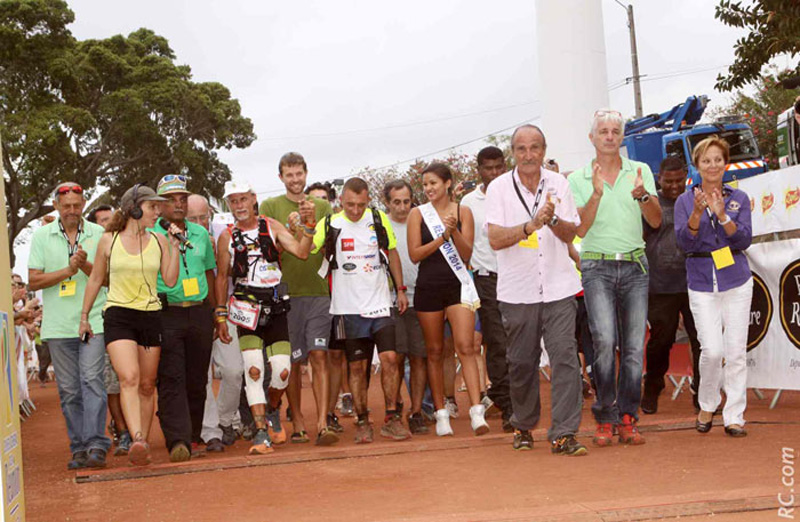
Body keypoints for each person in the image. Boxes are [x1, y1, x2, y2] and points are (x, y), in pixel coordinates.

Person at [486, 125, 587, 455]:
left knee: (565, 358)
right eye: (521, 149)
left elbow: (572, 233)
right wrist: (531, 224)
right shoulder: (499, 188)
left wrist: (553, 220)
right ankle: (524, 424)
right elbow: (496, 239)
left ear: (544, 150)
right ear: (513, 153)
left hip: (559, 286)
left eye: (534, 148)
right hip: (518, 291)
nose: (528, 155)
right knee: (521, 362)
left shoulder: (559, 184)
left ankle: (564, 432)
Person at [568, 109, 662, 447]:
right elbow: (579, 228)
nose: (609, 136)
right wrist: (595, 193)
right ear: (591, 138)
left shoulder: (641, 171)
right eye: (603, 131)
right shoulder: (577, 178)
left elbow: (654, 220)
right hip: (596, 266)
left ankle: (628, 416)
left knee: (634, 346)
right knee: (604, 342)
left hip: (635, 265)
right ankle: (605, 415)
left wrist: (642, 196)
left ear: (622, 137)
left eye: (615, 131)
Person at [79, 183, 181, 466]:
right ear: (134, 208)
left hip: (150, 314)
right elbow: (96, 279)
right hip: (118, 315)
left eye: (158, 206)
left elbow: (170, 281)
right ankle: (136, 436)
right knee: (129, 377)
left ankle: (142, 442)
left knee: (148, 385)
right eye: (152, 206)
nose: (157, 211)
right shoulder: (108, 240)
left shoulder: (159, 240)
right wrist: (85, 316)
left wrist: (174, 247)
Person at [309, 177, 412, 443]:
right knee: (357, 367)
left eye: (361, 205)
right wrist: (302, 228)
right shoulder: (330, 223)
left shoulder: (377, 219)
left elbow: (393, 252)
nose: (355, 210)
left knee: (390, 358)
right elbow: (308, 248)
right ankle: (363, 419)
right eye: (350, 205)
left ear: (368, 201)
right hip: (347, 308)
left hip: (380, 303)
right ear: (341, 201)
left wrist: (400, 289)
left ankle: (392, 417)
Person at [216, 181, 315, 454]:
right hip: (246, 308)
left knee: (282, 370)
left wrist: (309, 227)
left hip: (275, 306)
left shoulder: (271, 226)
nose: (239, 206)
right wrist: (221, 315)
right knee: (253, 369)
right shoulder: (226, 236)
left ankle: (272, 408)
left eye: (243, 199)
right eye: (233, 201)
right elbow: (222, 277)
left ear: (253, 199)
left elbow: (302, 252)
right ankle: (261, 432)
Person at [28, 183, 112, 470]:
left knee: (92, 381)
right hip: (57, 326)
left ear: (84, 203)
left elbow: (110, 278)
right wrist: (67, 270)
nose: (72, 211)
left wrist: (87, 267)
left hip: (93, 320)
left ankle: (96, 444)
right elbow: (33, 281)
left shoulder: (99, 234)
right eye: (67, 206)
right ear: (56, 206)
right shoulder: (41, 236)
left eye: (77, 205)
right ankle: (78, 447)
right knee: (69, 390)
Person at [675, 136, 753, 437]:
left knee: (735, 352)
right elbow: (684, 241)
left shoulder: (739, 198)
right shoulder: (685, 201)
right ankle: (707, 403)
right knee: (711, 349)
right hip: (701, 281)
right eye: (706, 160)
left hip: (736, 279)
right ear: (697, 165)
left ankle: (735, 415)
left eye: (718, 160)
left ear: (725, 163)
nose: (713, 165)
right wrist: (697, 212)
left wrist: (722, 215)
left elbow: (744, 239)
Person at [259, 152, 339, 446]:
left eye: (299, 174)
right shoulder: (269, 206)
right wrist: (294, 227)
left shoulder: (322, 206)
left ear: (306, 174)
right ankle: (298, 422)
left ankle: (322, 423)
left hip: (319, 292)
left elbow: (329, 247)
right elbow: (268, 249)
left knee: (319, 356)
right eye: (289, 175)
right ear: (281, 178)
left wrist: (311, 224)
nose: (295, 180)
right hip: (285, 293)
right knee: (292, 362)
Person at [407, 163, 488, 437]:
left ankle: (476, 410)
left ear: (448, 184)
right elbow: (415, 254)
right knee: (435, 351)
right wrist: (442, 237)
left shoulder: (463, 212)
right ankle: (441, 413)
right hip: (428, 287)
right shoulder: (417, 214)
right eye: (426, 184)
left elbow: (466, 254)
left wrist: (453, 232)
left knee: (466, 346)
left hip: (458, 286)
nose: (429, 188)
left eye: (434, 183)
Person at [151, 175, 220, 460]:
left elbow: (209, 273)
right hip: (166, 312)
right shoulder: (150, 235)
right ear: (159, 206)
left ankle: (192, 437)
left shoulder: (201, 233)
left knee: (196, 378)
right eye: (171, 200)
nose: (178, 204)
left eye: (182, 199)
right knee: (171, 377)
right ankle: (176, 440)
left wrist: (217, 314)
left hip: (199, 311)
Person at [641, 157, 702, 414]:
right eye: (668, 181)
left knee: (701, 340)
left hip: (695, 282)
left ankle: (703, 391)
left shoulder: (694, 201)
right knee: (661, 340)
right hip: (660, 285)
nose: (674, 186)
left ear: (686, 175)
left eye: (679, 180)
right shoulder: (650, 205)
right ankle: (653, 385)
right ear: (659, 179)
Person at [461, 146, 514, 432]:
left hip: (518, 276)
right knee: (496, 341)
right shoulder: (468, 202)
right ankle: (508, 404)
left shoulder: (517, 192)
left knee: (519, 340)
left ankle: (515, 396)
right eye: (488, 168)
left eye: (498, 167)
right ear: (479, 169)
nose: (493, 173)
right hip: (486, 279)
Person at [383, 179, 429, 434]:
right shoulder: (381, 225)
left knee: (419, 357)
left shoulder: (421, 221)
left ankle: (417, 411)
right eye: (396, 202)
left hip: (421, 298)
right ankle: (395, 407)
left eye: (406, 201)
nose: (402, 207)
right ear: (387, 203)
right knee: (396, 358)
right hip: (390, 300)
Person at [86, 204, 131, 455]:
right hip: (100, 322)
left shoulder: (128, 244)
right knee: (112, 383)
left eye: (110, 218)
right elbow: (96, 278)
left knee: (131, 380)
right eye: (101, 220)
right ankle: (123, 432)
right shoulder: (95, 246)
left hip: (129, 319)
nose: (107, 222)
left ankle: (130, 429)